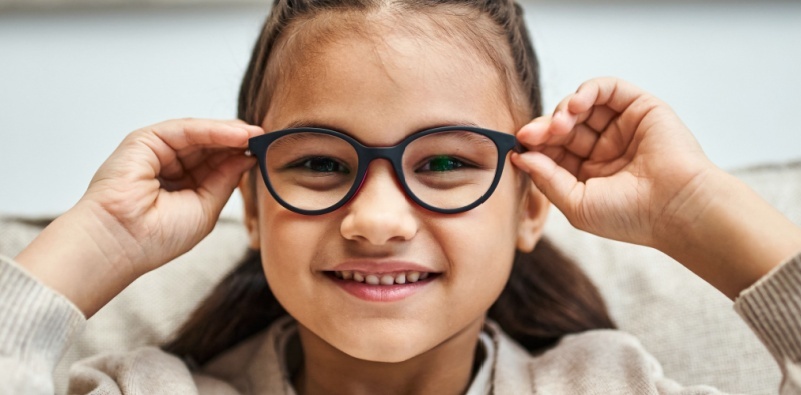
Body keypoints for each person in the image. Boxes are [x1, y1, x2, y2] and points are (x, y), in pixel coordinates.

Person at [2, 0, 801, 393]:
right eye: (318, 162)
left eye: (447, 162)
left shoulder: (607, 385)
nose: (376, 220)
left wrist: (697, 206)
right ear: (251, 204)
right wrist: (98, 240)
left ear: (530, 206)